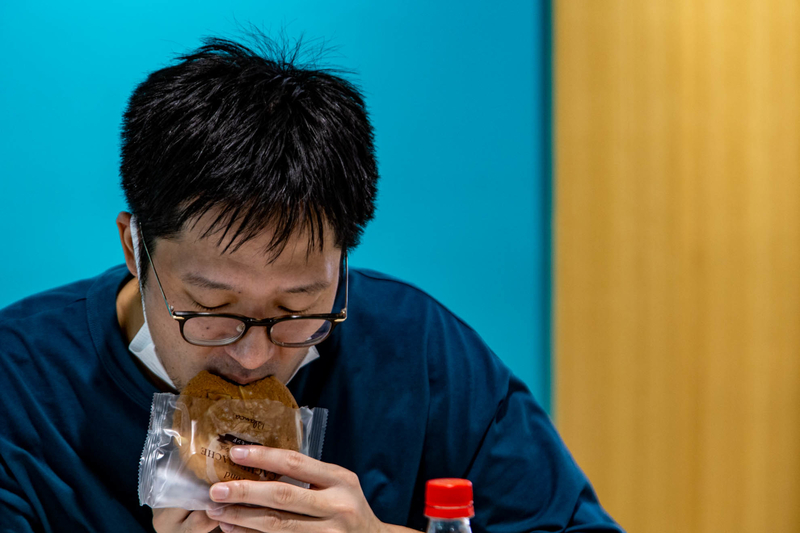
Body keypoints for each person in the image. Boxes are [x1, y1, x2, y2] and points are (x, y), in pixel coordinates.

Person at [0, 36, 623, 533]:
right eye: (211, 309)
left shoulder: (417, 351)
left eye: (296, 309)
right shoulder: (21, 383)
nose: (252, 357)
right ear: (135, 246)